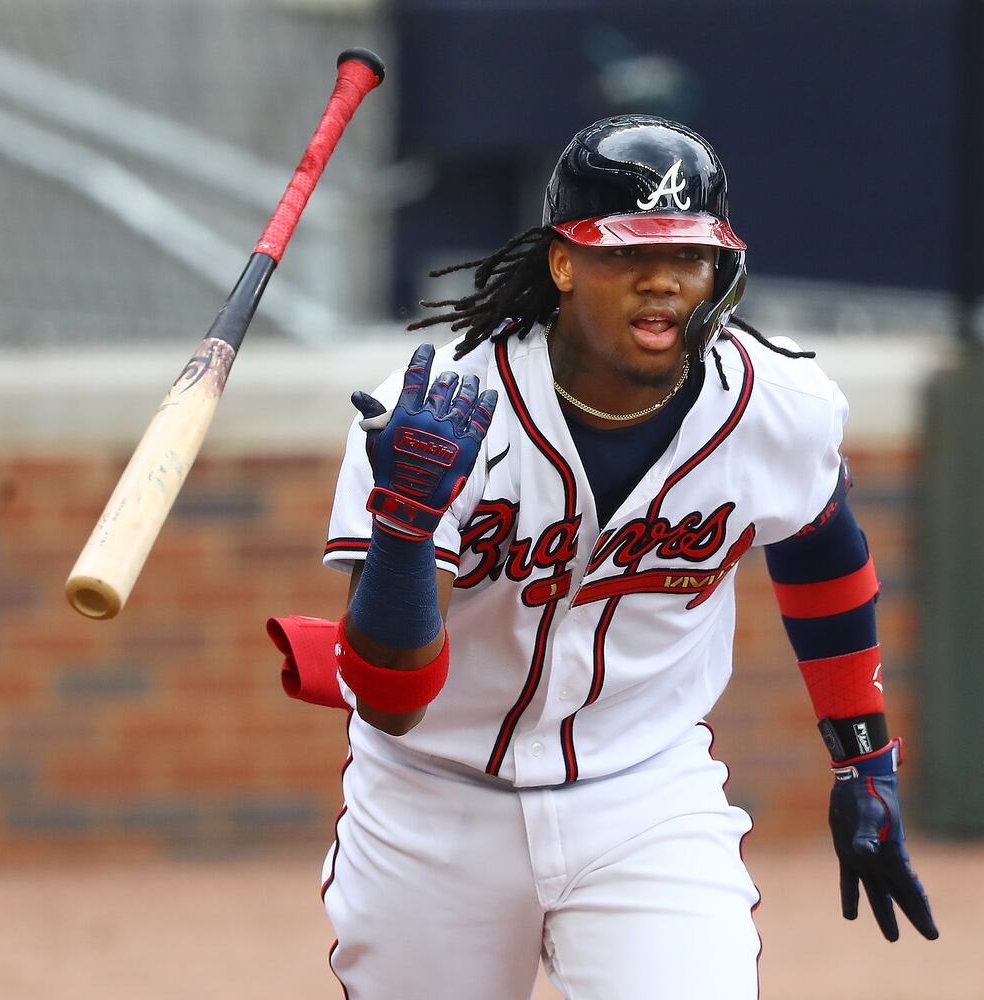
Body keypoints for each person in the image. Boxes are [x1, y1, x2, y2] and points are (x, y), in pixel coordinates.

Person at [268, 114, 938, 999]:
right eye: (628, 253)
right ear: (562, 263)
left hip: (643, 795)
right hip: (433, 795)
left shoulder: (777, 404)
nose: (662, 279)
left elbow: (821, 552)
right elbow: (391, 702)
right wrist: (402, 528)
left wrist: (863, 761)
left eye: (689, 254)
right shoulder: (443, 410)